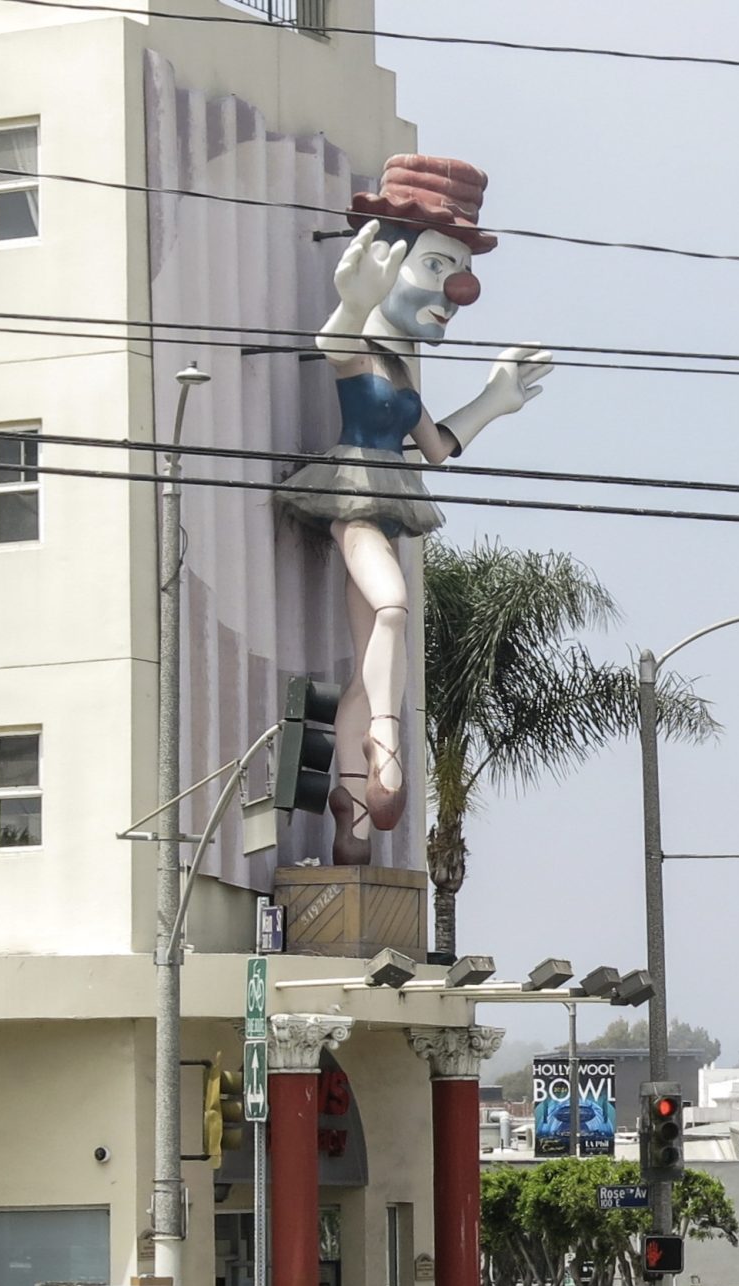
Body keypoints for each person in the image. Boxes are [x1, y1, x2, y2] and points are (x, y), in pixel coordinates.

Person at [276, 156, 553, 866]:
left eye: (460, 273)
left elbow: (436, 448)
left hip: (395, 498)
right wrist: (352, 304)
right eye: (437, 266)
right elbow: (333, 343)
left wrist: (494, 400)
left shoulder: (401, 371)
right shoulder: (362, 353)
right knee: (393, 607)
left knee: (372, 655)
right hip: (354, 494)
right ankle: (386, 743)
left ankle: (350, 805)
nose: (458, 290)